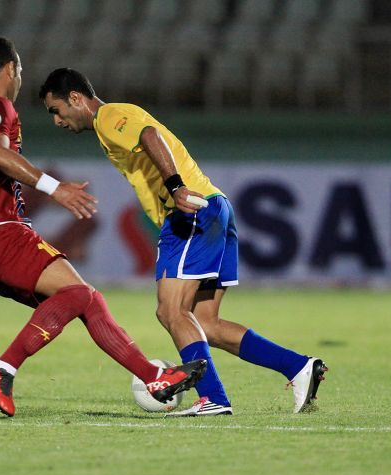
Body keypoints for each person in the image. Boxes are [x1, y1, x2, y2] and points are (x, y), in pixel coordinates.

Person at [0, 38, 206, 417]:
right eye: (20, 72)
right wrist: (55, 188)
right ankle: (3, 367)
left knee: (86, 299)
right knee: (78, 294)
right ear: (10, 69)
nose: (19, 81)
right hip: (1, 233)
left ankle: (153, 377)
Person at [39, 68, 328, 415]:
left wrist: (175, 187)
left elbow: (150, 135)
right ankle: (298, 366)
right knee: (205, 324)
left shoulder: (109, 116)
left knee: (171, 311)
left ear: (75, 98)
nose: (56, 120)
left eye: (56, 110)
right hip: (214, 206)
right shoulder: (109, 124)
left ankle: (213, 398)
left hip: (189, 213)